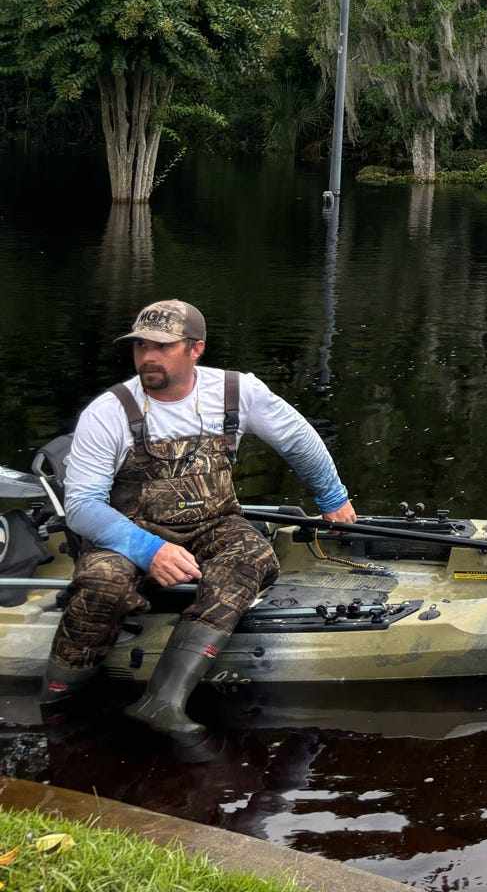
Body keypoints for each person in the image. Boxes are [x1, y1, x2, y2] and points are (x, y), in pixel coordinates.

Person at [42, 299, 358, 737]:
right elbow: (81, 506)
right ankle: (57, 702)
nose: (147, 357)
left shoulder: (236, 392)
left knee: (251, 555)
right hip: (124, 530)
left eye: (162, 346)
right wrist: (150, 550)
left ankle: (163, 700)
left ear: (195, 349)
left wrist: (332, 497)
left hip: (213, 524)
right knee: (102, 583)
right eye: (140, 346)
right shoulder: (108, 411)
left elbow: (298, 438)